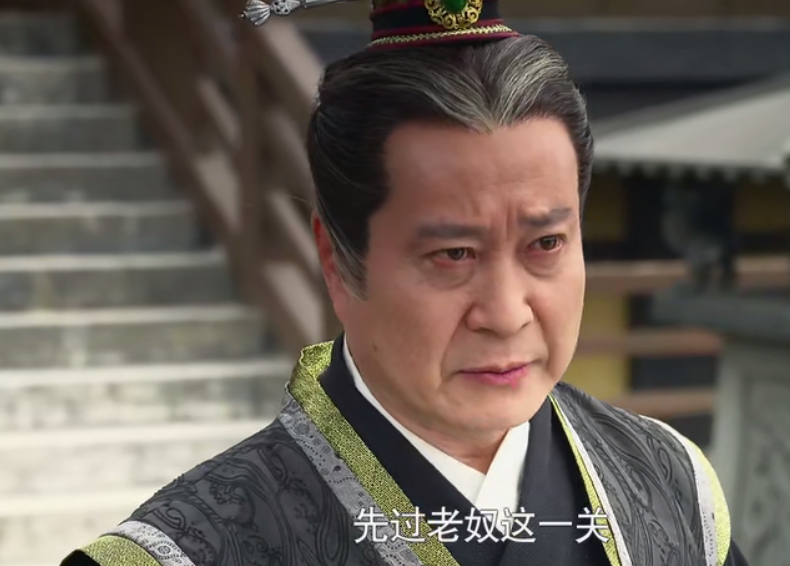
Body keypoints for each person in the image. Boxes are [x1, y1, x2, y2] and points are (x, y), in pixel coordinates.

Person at [61, 0, 749, 565]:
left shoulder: (668, 482)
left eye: (545, 245)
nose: (506, 313)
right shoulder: (191, 551)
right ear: (338, 259)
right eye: (453, 255)